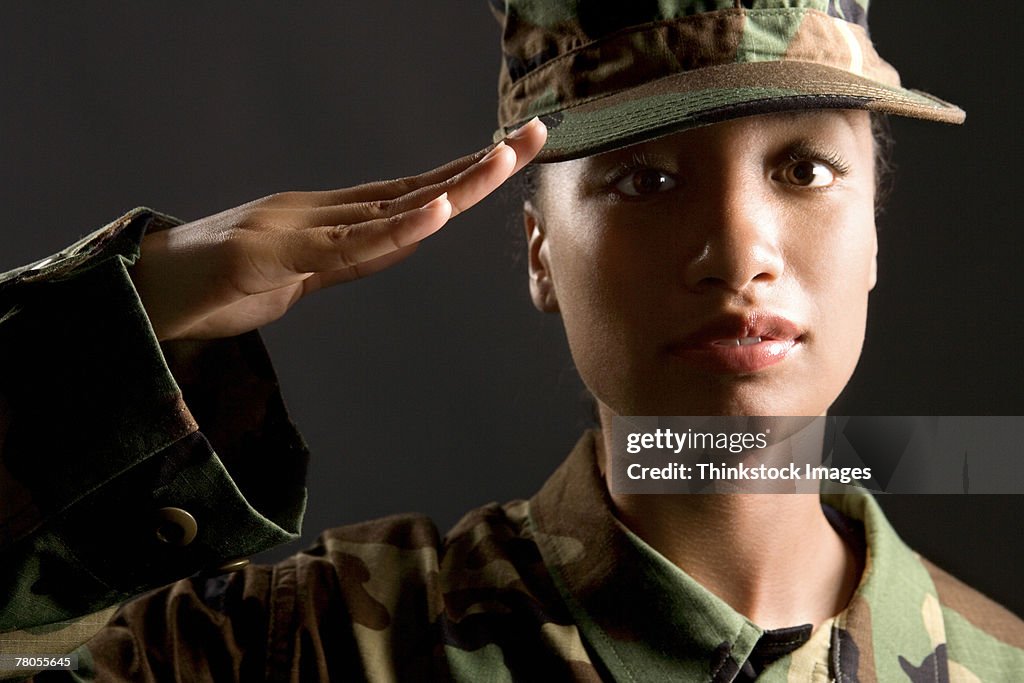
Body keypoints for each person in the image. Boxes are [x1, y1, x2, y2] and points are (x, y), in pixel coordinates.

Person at [1, 1, 1021, 681]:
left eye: (802, 170)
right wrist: (126, 318)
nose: (737, 251)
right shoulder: (309, 649)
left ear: (874, 233)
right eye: (646, 179)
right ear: (539, 253)